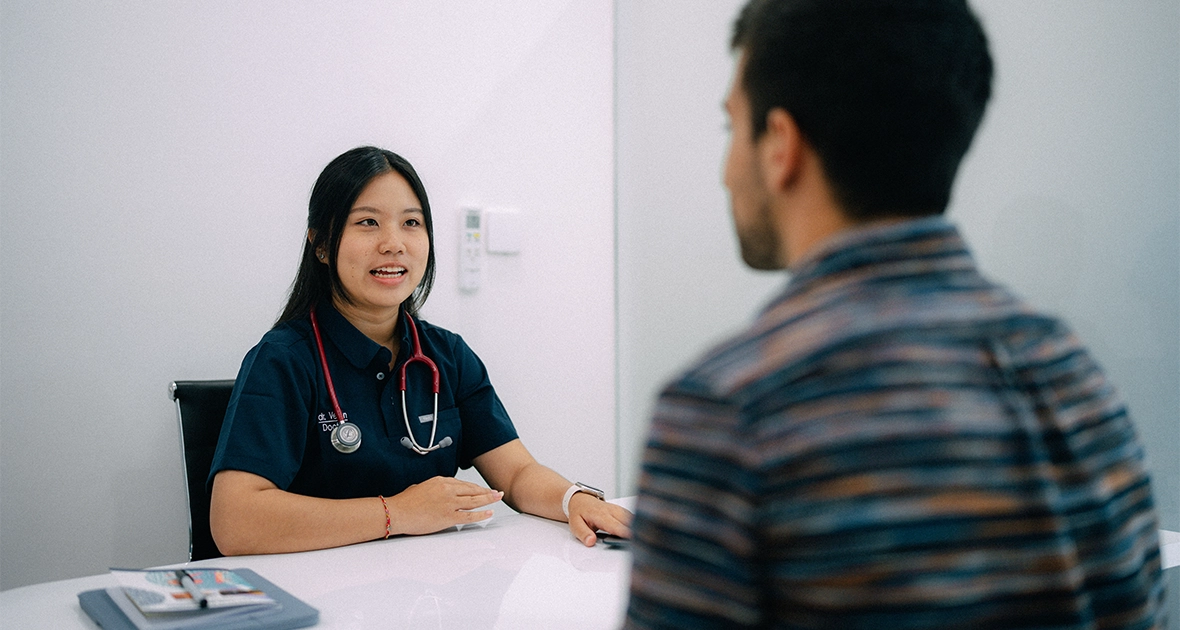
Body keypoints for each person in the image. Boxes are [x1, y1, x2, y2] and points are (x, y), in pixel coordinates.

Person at [625, 1, 1164, 628]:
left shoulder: (730, 410)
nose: (724, 174)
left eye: (731, 128)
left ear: (781, 146)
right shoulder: (1073, 374)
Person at [208, 146, 631, 555]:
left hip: (428, 585)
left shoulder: (447, 355)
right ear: (320, 244)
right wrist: (398, 513)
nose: (394, 243)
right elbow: (235, 520)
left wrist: (574, 500)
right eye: (368, 222)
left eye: (411, 223)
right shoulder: (283, 359)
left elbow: (518, 473)